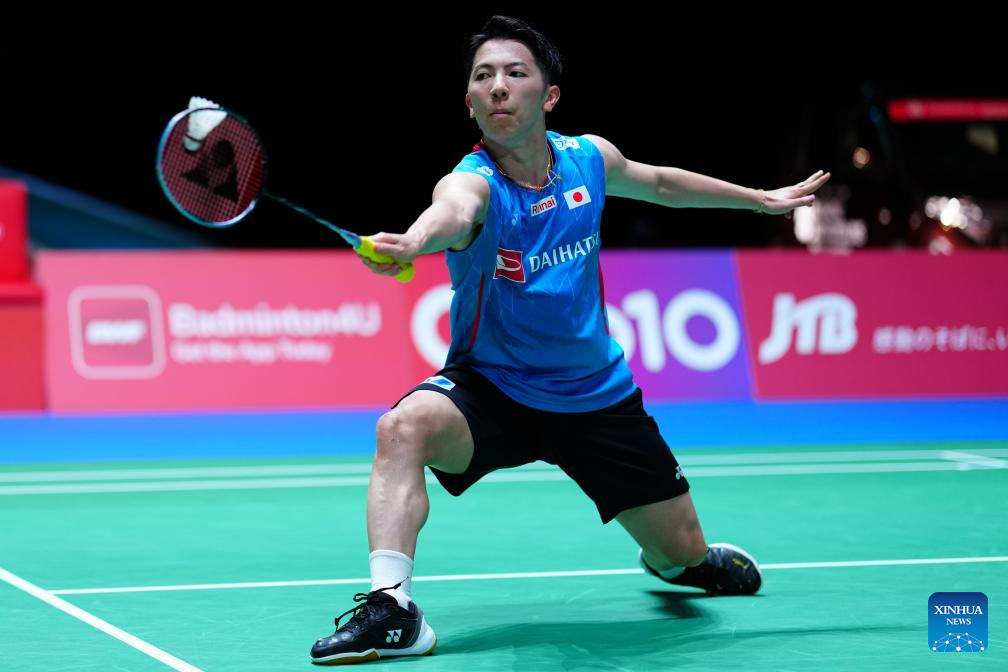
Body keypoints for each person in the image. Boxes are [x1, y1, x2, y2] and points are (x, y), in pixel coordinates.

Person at [310, 15, 830, 666]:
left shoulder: (588, 158)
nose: (498, 86)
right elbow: (453, 212)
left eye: (515, 73)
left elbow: (659, 182)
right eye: (483, 77)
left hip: (594, 397)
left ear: (549, 95)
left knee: (683, 550)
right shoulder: (474, 182)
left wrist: (758, 199)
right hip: (494, 390)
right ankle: (392, 609)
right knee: (401, 428)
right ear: (469, 102)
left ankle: (678, 564)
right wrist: (414, 242)